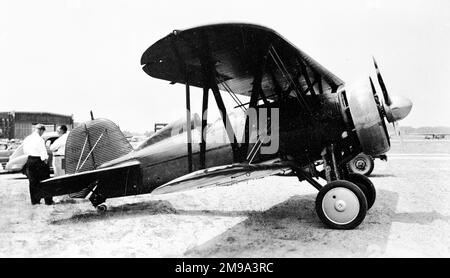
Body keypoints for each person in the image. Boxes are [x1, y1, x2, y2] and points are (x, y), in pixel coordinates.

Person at [23, 124, 53, 205]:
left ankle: (35, 201)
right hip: (39, 160)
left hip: (30, 160)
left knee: (33, 182)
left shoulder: (27, 138)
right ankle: (48, 200)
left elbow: (24, 150)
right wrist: (45, 159)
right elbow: (43, 151)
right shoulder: (40, 139)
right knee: (46, 180)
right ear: (41, 130)